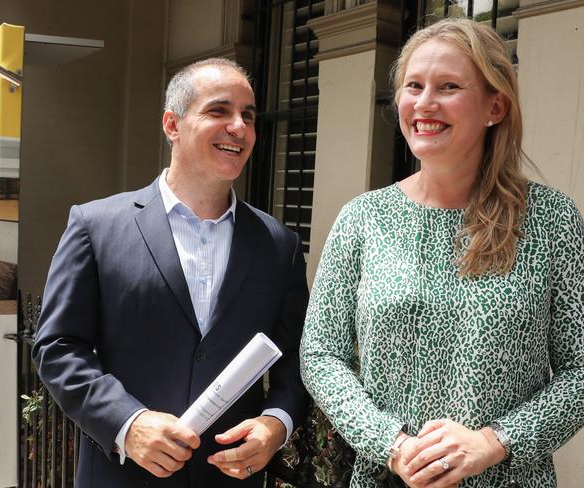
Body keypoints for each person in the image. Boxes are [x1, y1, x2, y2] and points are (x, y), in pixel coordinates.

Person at [300, 18, 583, 488]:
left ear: (496, 106)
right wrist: (392, 445)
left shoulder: (551, 220)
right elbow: (321, 354)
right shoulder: (363, 219)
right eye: (414, 85)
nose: (424, 103)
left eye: (448, 86)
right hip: (387, 477)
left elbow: (580, 370)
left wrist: (496, 442)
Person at [32, 58, 309, 488]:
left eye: (248, 116)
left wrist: (276, 424)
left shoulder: (280, 246)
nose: (239, 127)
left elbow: (295, 358)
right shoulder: (96, 226)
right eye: (219, 111)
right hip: (121, 476)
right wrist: (128, 422)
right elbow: (57, 346)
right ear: (172, 125)